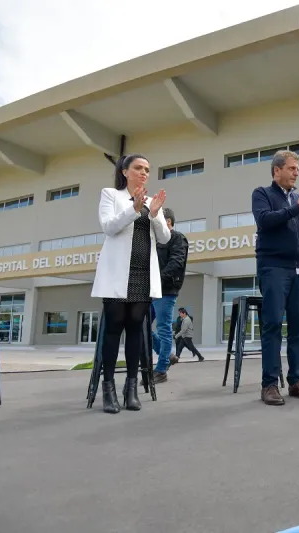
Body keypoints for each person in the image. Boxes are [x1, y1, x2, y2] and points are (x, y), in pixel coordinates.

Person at [91, 154, 170, 414]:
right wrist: (134, 209)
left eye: (147, 169)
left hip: (142, 274)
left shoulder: (150, 202)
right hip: (117, 275)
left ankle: (131, 387)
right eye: (138, 168)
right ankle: (109, 388)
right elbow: (109, 227)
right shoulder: (111, 195)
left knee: (136, 330)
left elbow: (164, 238)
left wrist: (155, 214)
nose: (144, 173)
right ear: (125, 171)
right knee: (114, 329)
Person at [251, 150, 299, 406]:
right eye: (292, 168)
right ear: (277, 170)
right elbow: (265, 221)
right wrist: (298, 206)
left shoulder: (298, 199)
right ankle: (269, 384)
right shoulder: (262, 194)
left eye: (297, 169)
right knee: (272, 326)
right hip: (273, 268)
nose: (296, 173)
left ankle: (295, 381)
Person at [150, 207, 189, 383]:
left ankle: (161, 370)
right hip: (150, 290)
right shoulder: (155, 242)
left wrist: (158, 279)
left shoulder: (178, 238)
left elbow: (176, 262)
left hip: (166, 291)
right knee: (140, 326)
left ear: (168, 222)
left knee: (164, 329)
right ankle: (168, 355)